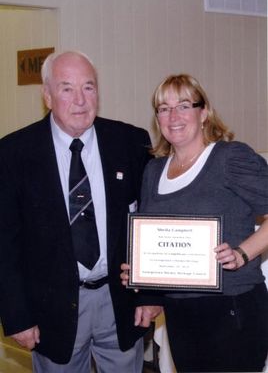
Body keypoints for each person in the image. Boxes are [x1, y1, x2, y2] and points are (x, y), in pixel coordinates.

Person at [0, 50, 161, 373]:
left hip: (120, 301)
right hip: (51, 309)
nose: (80, 100)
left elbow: (151, 222)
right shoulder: (14, 153)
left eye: (88, 87)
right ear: (47, 95)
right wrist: (18, 316)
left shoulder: (131, 142)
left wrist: (151, 292)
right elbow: (6, 243)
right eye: (66, 88)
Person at [121, 74, 268, 372]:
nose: (173, 116)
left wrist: (242, 253)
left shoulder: (230, 158)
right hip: (180, 312)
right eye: (163, 108)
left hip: (233, 307)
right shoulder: (154, 170)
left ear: (204, 113)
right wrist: (139, 273)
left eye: (184, 105)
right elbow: (155, 238)